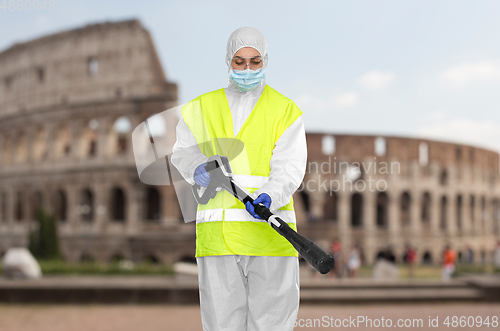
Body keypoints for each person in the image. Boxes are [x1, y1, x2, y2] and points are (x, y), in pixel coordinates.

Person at [171, 27, 307, 331]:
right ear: (228, 62)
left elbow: (290, 165)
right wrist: (197, 168)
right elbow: (180, 152)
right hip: (218, 238)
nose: (247, 69)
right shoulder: (199, 109)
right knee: (221, 325)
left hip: (270, 234)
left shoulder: (285, 110)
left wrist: (271, 194)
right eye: (240, 61)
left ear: (265, 61)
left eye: (255, 62)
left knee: (271, 323)